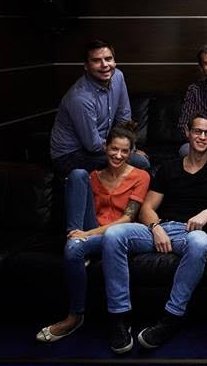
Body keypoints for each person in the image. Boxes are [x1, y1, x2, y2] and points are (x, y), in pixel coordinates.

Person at [100, 114, 207, 354]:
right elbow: (147, 208)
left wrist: (206, 213)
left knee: (201, 242)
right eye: (197, 131)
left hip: (189, 232)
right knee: (113, 235)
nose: (202, 137)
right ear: (187, 133)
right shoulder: (169, 167)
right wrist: (156, 228)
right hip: (160, 228)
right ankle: (119, 317)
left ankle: (172, 317)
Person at [37, 121, 150, 342]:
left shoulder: (141, 176)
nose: (118, 155)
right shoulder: (93, 177)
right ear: (105, 147)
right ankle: (75, 314)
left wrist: (87, 235)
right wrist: (80, 232)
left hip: (117, 236)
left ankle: (75, 313)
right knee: (77, 175)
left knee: (74, 249)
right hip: (91, 228)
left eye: (124, 151)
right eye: (114, 149)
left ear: (131, 153)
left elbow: (127, 218)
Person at [50, 40, 150, 175]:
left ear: (114, 61)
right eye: (96, 61)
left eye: (108, 59)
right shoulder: (80, 98)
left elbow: (123, 117)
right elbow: (93, 145)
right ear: (86, 66)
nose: (104, 65)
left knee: (138, 161)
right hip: (70, 155)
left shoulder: (118, 77)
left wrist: (130, 147)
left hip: (101, 147)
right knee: (140, 163)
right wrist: (126, 151)